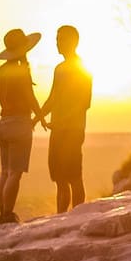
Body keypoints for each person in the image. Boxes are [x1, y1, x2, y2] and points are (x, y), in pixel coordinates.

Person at [0, 28, 46, 224]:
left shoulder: (1, 70)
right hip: (20, 123)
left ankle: (2, 214)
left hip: (3, 123)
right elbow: (29, 97)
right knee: (15, 174)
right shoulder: (21, 70)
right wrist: (40, 117)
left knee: (4, 172)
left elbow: (0, 97)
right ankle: (8, 214)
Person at [39, 25, 93, 213]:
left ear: (73, 42)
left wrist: (62, 121)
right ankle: (60, 217)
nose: (57, 43)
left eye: (61, 39)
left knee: (74, 176)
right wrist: (37, 116)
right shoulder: (59, 69)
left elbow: (83, 103)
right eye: (56, 39)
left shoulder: (82, 70)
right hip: (58, 130)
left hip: (72, 130)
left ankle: (77, 217)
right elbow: (53, 98)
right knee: (60, 178)